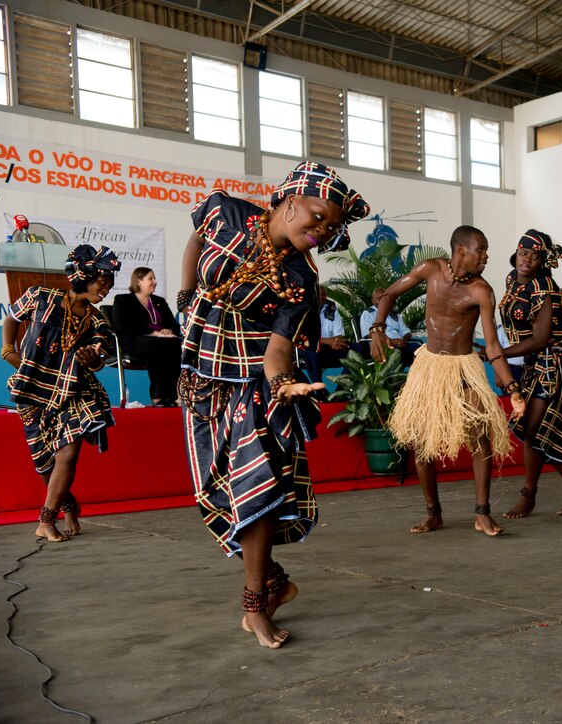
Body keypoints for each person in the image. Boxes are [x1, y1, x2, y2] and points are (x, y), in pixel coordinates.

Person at [178, 161, 370, 648]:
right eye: (320, 217)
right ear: (291, 199)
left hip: (252, 377)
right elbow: (196, 241)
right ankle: (275, 579)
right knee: (217, 492)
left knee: (257, 487)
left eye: (332, 228)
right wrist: (186, 294)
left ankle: (254, 605)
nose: (323, 232)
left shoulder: (301, 279)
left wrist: (284, 382)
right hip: (202, 373)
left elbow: (278, 348)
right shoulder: (225, 212)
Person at [372, 225, 526, 538]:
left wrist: (512, 390)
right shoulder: (430, 269)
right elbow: (389, 294)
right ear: (460, 251)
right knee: (421, 441)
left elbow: (493, 346)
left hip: (463, 368)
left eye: (485, 250)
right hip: (428, 367)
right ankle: (433, 514)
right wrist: (377, 328)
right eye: (480, 249)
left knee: (480, 434)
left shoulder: (482, 291)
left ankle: (482, 514)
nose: (485, 256)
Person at [1, 245, 121, 542]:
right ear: (84, 277)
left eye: (109, 285)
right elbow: (12, 318)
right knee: (43, 463)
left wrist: (93, 359)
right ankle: (69, 507)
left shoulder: (98, 321)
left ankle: (45, 520)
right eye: (102, 283)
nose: (105, 290)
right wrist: (8, 350)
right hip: (33, 390)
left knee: (67, 454)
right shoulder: (40, 297)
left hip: (74, 392)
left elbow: (99, 357)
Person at [497, 229, 562, 519]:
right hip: (533, 360)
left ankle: (533, 496)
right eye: (524, 252)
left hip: (556, 360)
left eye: (535, 256)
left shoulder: (544, 287)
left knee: (531, 427)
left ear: (543, 261)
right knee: (533, 429)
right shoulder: (512, 279)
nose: (527, 259)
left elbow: (540, 339)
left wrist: (497, 354)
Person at [111, 267, 182, 406]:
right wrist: (153, 333)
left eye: (155, 278)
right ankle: (158, 396)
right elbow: (122, 325)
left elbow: (174, 325)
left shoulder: (159, 301)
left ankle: (173, 395)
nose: (155, 282)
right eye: (150, 279)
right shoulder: (123, 300)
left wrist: (167, 331)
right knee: (156, 345)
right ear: (139, 282)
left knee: (175, 343)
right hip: (132, 341)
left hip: (161, 342)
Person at [301, 290, 351, 384]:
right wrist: (329, 341)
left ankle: (341, 389)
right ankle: (319, 390)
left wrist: (336, 342)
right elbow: (304, 338)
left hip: (330, 349)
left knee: (357, 349)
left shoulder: (331, 309)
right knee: (312, 351)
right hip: (309, 349)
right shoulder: (304, 310)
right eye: (318, 294)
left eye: (323, 294)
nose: (321, 296)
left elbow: (339, 333)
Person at [360, 287, 418, 367]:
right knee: (398, 353)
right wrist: (393, 342)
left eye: (384, 298)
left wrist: (404, 340)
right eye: (379, 298)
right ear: (373, 300)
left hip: (401, 345)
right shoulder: (368, 314)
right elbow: (369, 334)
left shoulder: (394, 315)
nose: (382, 301)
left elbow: (405, 332)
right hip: (384, 347)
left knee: (419, 350)